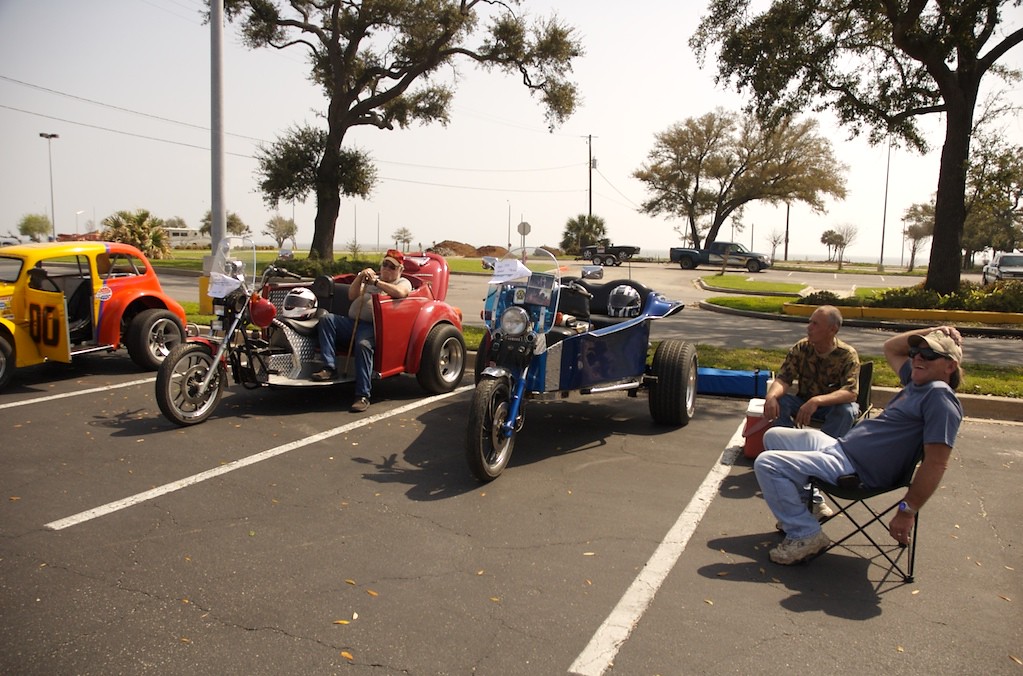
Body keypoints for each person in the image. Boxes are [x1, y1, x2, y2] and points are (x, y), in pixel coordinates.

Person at [754, 325, 964, 565]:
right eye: (916, 350)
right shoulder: (917, 382)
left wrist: (907, 510)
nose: (917, 356)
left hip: (855, 469)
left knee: (768, 464)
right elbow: (892, 347)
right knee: (774, 436)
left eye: (929, 354)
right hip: (843, 449)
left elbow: (936, 464)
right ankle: (808, 507)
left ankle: (805, 533)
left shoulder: (939, 397)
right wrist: (937, 329)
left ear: (950, 366)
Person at [311, 249, 412, 412]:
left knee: (363, 345)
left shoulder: (402, 282)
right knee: (326, 319)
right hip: (353, 322)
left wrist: (377, 284)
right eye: (385, 264)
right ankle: (329, 367)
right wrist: (360, 277)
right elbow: (352, 295)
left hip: (374, 326)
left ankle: (362, 395)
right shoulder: (372, 280)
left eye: (392, 267)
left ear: (400, 270)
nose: (386, 268)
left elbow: (401, 293)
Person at [763, 305, 861, 438]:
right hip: (803, 402)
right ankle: (786, 444)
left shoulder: (847, 355)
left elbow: (850, 393)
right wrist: (771, 397)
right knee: (780, 402)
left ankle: (826, 451)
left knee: (846, 410)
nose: (809, 328)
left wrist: (816, 401)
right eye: (810, 322)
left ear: (832, 329)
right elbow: (784, 378)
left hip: (832, 407)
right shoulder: (802, 347)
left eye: (815, 324)